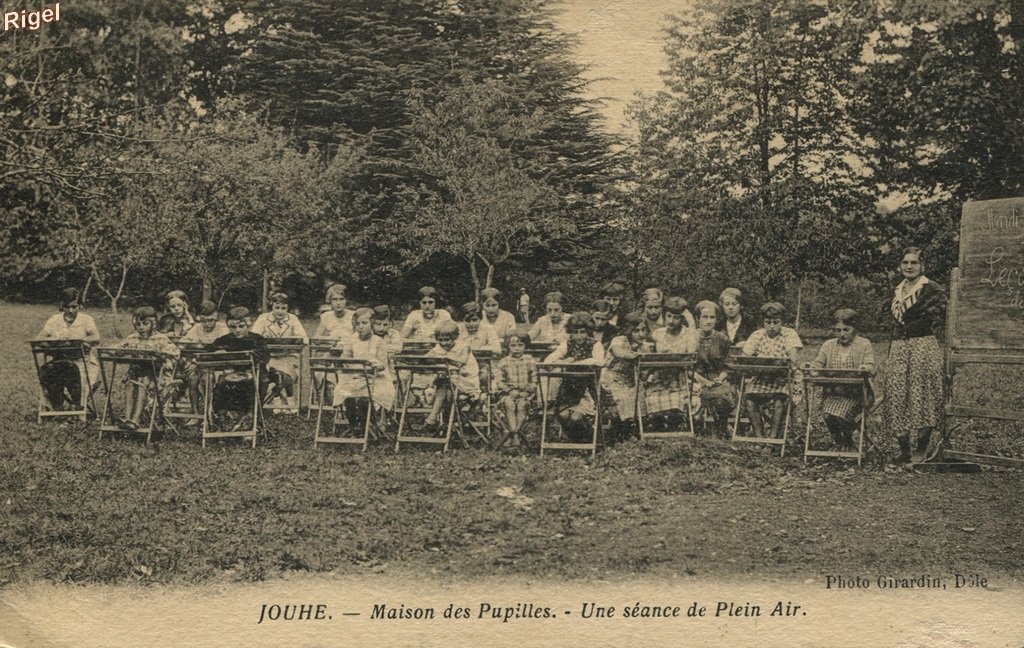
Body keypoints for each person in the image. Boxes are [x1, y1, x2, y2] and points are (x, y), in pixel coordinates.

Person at [882, 247, 946, 463]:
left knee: (923, 394)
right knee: (897, 392)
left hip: (922, 346)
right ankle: (904, 449)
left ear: (922, 266)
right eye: (905, 262)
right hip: (899, 347)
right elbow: (892, 321)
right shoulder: (898, 290)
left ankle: (921, 448)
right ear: (900, 266)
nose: (909, 266)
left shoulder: (931, 289)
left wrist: (916, 328)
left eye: (914, 263)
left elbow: (937, 317)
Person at [809, 308, 876, 450]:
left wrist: (865, 368)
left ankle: (846, 440)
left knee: (841, 415)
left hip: (857, 395)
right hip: (834, 393)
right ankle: (839, 440)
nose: (842, 334)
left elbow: (871, 366)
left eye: (846, 330)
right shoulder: (828, 345)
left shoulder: (864, 344)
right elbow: (818, 363)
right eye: (838, 330)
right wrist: (813, 368)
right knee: (828, 415)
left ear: (855, 328)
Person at [740, 302, 803, 438]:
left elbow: (793, 361)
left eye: (776, 322)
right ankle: (759, 437)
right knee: (750, 401)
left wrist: (781, 366)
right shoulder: (757, 335)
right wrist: (756, 366)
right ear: (763, 322)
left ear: (782, 321)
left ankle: (773, 439)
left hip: (784, 380)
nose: (772, 326)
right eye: (768, 322)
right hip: (762, 379)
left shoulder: (789, 334)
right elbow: (744, 359)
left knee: (780, 402)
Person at [35, 287, 102, 412]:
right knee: (48, 370)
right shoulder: (55, 320)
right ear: (62, 305)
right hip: (60, 361)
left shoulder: (86, 319)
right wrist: (55, 340)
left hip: (83, 361)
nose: (70, 310)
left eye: (74, 307)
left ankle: (77, 404)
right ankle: (58, 406)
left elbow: (96, 337)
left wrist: (80, 338)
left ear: (79, 305)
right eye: (67, 307)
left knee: (74, 372)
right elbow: (39, 338)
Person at [114, 306, 180, 429]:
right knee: (130, 383)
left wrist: (161, 354)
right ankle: (127, 418)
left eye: (145, 324)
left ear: (153, 324)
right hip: (136, 373)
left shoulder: (161, 338)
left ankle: (135, 420)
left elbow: (175, 352)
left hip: (155, 375)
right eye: (138, 324)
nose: (141, 327)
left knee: (142, 383)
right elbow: (116, 349)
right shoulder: (132, 338)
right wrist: (120, 351)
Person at [544, 312, 605, 441]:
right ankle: (576, 439)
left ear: (588, 331)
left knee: (576, 417)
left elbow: (599, 361)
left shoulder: (595, 344)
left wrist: (576, 363)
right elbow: (549, 360)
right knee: (564, 415)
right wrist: (563, 362)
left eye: (582, 332)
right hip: (569, 390)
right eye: (575, 332)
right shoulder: (567, 344)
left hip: (589, 389)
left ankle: (589, 438)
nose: (578, 336)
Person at [333, 307, 395, 432]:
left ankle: (367, 424)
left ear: (372, 324)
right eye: (357, 324)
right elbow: (345, 357)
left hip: (376, 379)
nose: (361, 327)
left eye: (364, 323)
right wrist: (349, 365)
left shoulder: (378, 342)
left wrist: (375, 365)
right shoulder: (352, 340)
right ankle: (353, 425)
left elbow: (383, 364)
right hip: (355, 377)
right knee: (346, 395)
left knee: (363, 399)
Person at [209, 307, 270, 427]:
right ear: (228, 326)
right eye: (233, 327)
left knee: (255, 384)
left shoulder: (257, 339)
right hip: (230, 375)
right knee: (220, 387)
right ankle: (223, 422)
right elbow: (210, 354)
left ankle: (248, 419)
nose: (237, 330)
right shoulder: (223, 341)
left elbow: (264, 357)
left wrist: (247, 370)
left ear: (249, 324)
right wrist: (218, 354)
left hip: (251, 373)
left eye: (241, 326)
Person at [645, 297, 699, 431]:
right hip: (660, 378)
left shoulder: (688, 335)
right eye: (668, 316)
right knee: (652, 398)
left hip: (680, 379)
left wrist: (691, 323)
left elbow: (691, 357)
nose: (671, 321)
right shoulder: (658, 334)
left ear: (682, 319)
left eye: (676, 318)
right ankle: (659, 429)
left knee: (677, 401)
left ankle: (675, 429)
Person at [251, 291, 308, 408]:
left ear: (288, 308)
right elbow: (253, 337)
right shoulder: (263, 319)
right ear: (271, 307)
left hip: (288, 357)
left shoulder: (293, 319)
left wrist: (291, 339)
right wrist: (262, 338)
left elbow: (304, 338)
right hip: (269, 357)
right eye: (277, 307)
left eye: (283, 308)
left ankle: (290, 399)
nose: (280, 311)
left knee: (286, 374)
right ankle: (277, 400)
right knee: (272, 372)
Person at [422, 322, 480, 433]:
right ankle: (444, 424)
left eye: (447, 339)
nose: (444, 343)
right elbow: (426, 358)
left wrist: (444, 359)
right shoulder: (439, 347)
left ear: (455, 337)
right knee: (445, 387)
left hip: (466, 381)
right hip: (450, 382)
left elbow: (460, 363)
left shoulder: (463, 347)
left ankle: (433, 418)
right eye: (441, 340)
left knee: (443, 384)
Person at [602, 312, 651, 440]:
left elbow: (645, 372)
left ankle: (635, 432)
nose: (641, 334)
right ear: (628, 331)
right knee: (623, 398)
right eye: (636, 331)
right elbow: (619, 352)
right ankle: (619, 434)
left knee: (641, 396)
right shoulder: (619, 340)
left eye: (643, 330)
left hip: (632, 379)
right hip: (612, 378)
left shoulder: (645, 346)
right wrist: (633, 355)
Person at [692, 300, 736, 439]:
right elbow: (686, 366)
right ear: (697, 318)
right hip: (694, 378)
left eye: (712, 317)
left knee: (721, 398)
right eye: (705, 317)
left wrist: (720, 378)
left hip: (717, 379)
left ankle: (720, 431)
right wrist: (703, 381)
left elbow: (727, 366)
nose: (709, 321)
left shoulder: (722, 339)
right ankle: (696, 430)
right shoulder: (690, 337)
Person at [179, 300, 229, 418]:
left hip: (217, 366)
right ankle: (195, 414)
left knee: (207, 379)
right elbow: (184, 341)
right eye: (203, 321)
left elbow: (222, 347)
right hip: (199, 364)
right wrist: (193, 342)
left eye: (211, 320)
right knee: (192, 379)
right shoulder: (197, 328)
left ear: (216, 317)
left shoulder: (222, 328)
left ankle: (209, 413)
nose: (207, 324)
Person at [493, 332, 538, 443]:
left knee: (522, 405)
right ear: (508, 346)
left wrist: (527, 392)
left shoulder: (530, 361)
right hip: (508, 394)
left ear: (525, 346)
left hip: (525, 395)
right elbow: (499, 381)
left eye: (520, 345)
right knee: (509, 404)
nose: (517, 348)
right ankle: (515, 433)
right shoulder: (503, 362)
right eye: (513, 345)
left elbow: (534, 381)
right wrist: (509, 390)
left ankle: (515, 434)